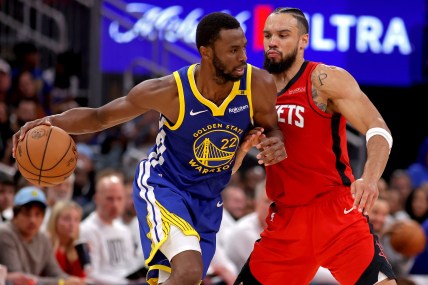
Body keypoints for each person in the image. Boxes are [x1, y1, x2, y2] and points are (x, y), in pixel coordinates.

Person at [13, 11, 286, 285]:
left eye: (244, 48)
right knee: (189, 271)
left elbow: (272, 128)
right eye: (233, 50)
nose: (243, 57)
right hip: (165, 186)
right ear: (206, 52)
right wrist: (50, 120)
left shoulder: (257, 84)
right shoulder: (170, 91)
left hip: (208, 197)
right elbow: (100, 117)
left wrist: (275, 141)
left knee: (183, 279)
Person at [234, 7, 396, 285]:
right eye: (268, 35)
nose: (273, 41)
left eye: (283, 35)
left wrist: (370, 179)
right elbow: (232, 158)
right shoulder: (253, 90)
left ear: (303, 41)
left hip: (336, 213)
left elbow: (378, 129)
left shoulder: (324, 80)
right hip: (286, 219)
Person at [0, 186, 84, 285]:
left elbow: (55, 272)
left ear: (43, 217)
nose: (32, 220)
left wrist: (74, 281)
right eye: (27, 214)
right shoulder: (5, 233)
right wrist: (62, 282)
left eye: (38, 214)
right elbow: (19, 279)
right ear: (15, 215)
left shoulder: (43, 238)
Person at [79, 169, 145, 285]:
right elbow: (90, 275)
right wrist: (126, 283)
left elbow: (130, 266)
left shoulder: (124, 230)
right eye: (110, 199)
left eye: (119, 199)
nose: (115, 205)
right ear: (97, 199)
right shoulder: (86, 229)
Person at [46, 200, 86, 278]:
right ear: (55, 221)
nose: (72, 224)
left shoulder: (77, 249)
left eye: (76, 220)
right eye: (67, 219)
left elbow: (81, 278)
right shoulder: (46, 245)